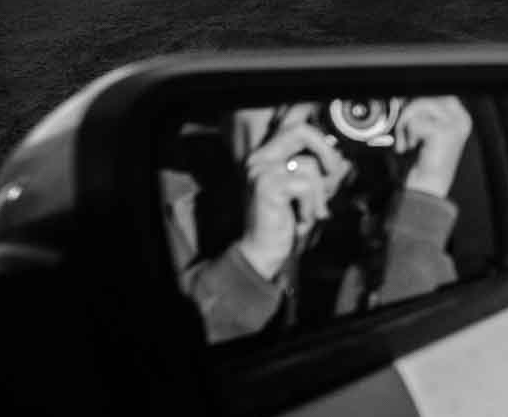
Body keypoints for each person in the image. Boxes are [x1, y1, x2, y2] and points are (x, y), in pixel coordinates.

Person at [162, 96, 474, 345]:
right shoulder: (152, 206)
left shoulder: (379, 215)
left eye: (332, 95)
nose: (301, 116)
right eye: (269, 85)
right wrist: (255, 258)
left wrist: (424, 190)